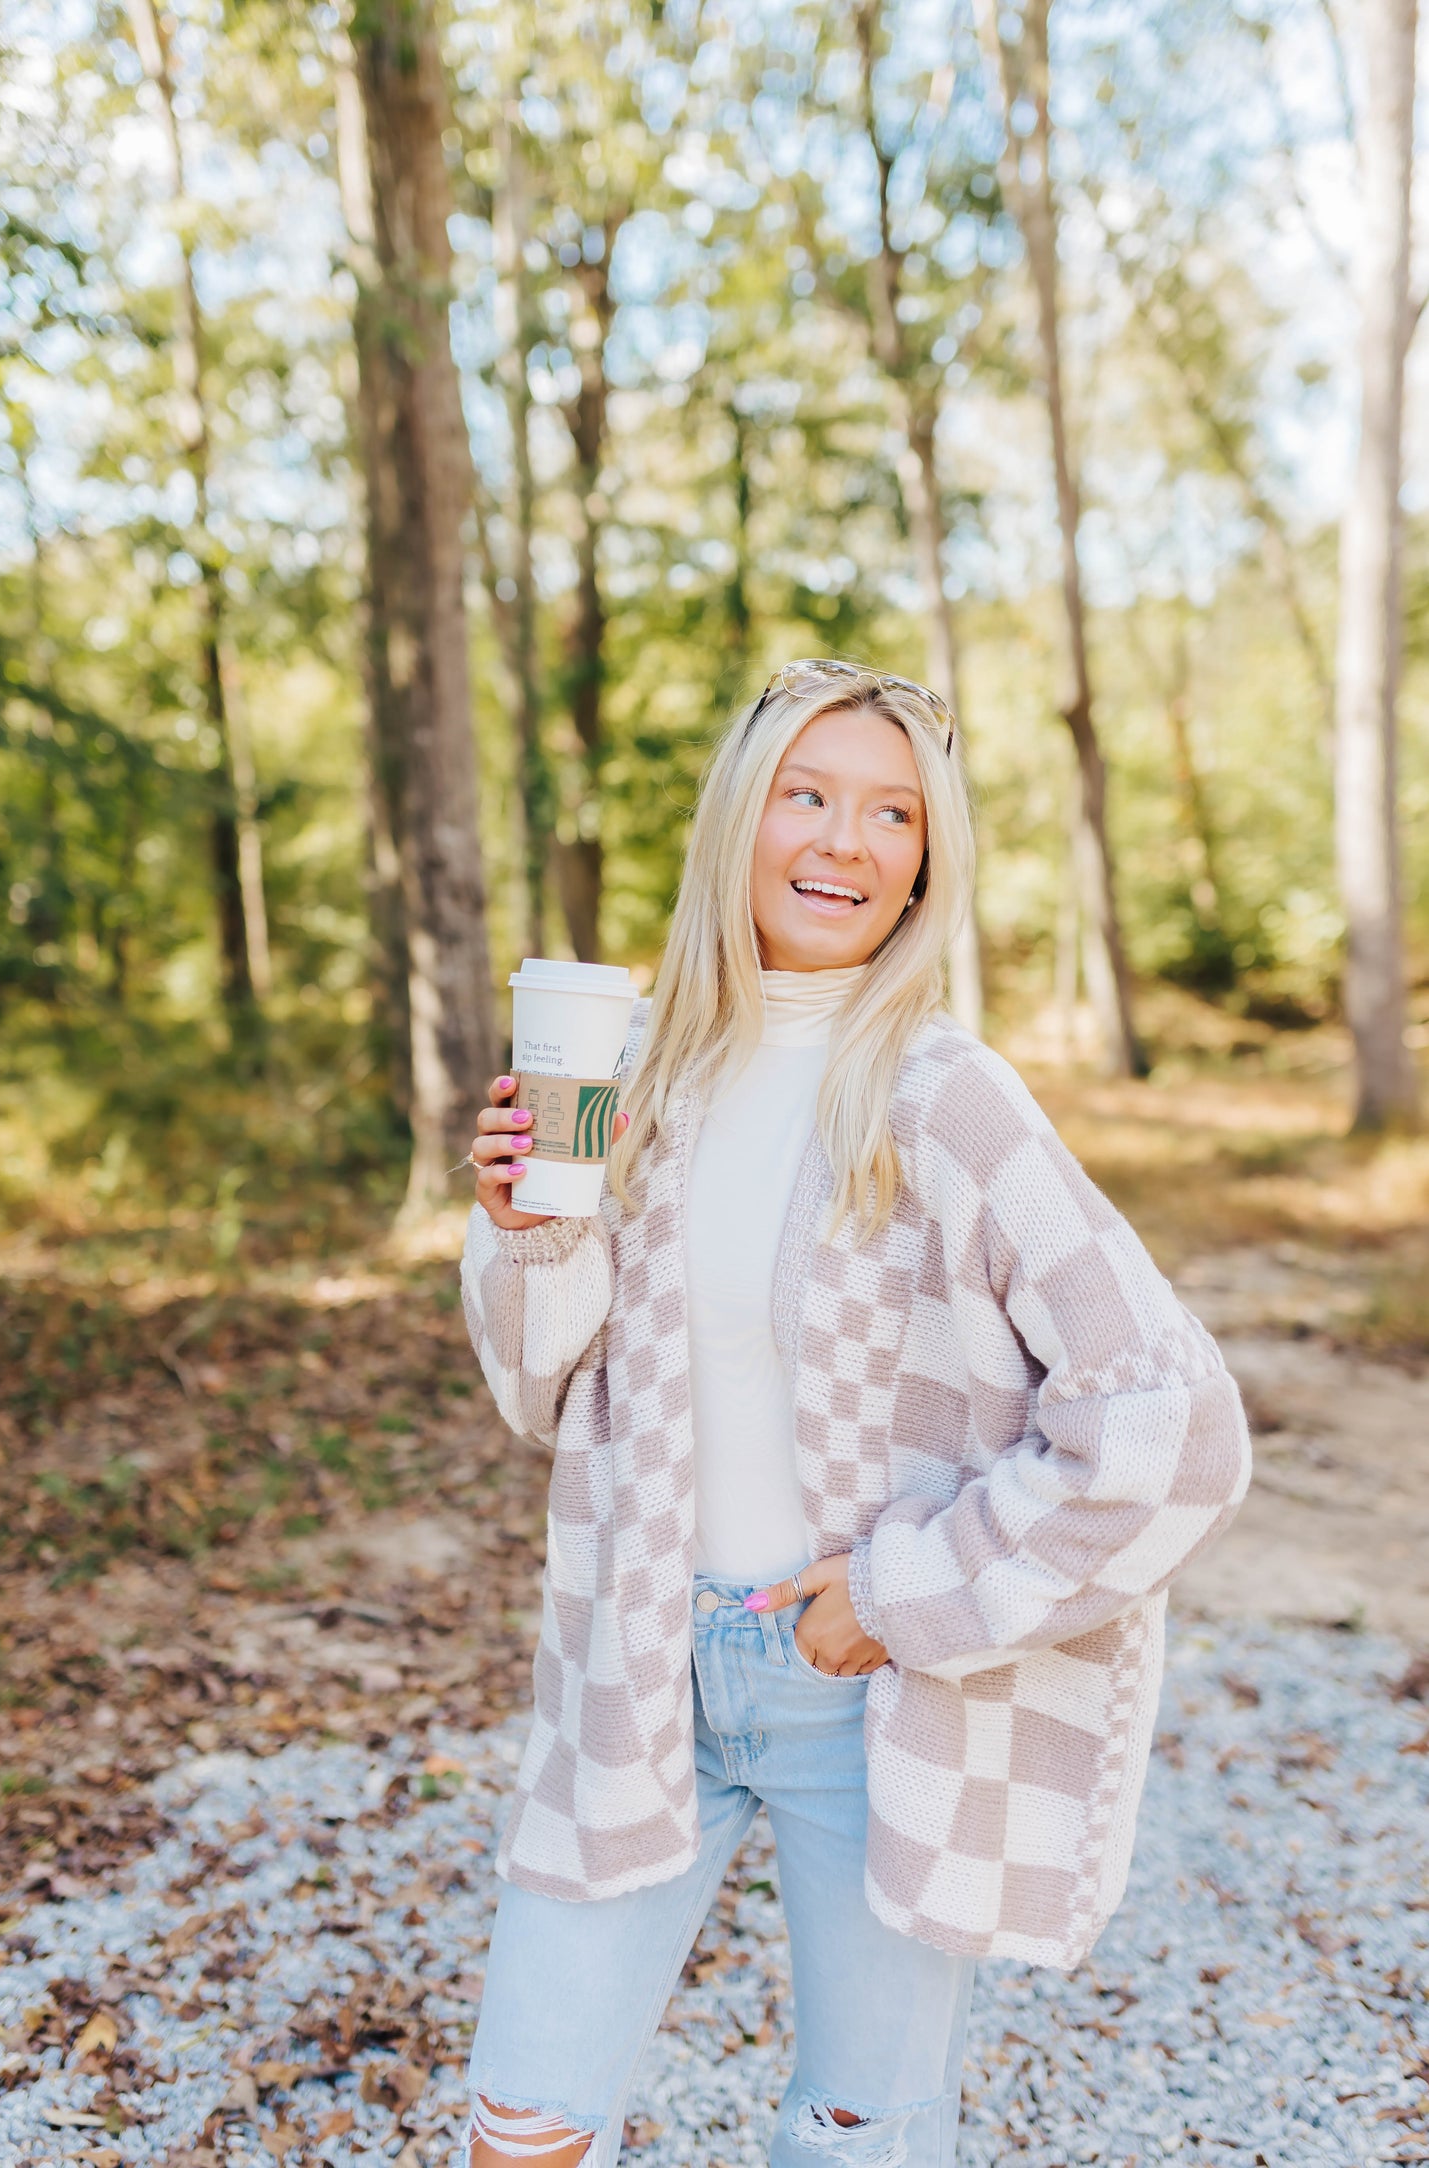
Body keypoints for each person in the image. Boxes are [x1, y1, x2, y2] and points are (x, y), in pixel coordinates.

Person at [457, 659, 1252, 2168]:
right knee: (521, 2120)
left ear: (924, 863)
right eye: (806, 795)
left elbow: (1174, 1425)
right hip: (640, 1658)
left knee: (856, 2132)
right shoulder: (633, 1072)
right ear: (737, 821)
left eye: (891, 812)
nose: (843, 840)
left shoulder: (945, 1096)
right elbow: (535, 1390)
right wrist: (526, 1227)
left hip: (865, 1690)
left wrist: (906, 1594)